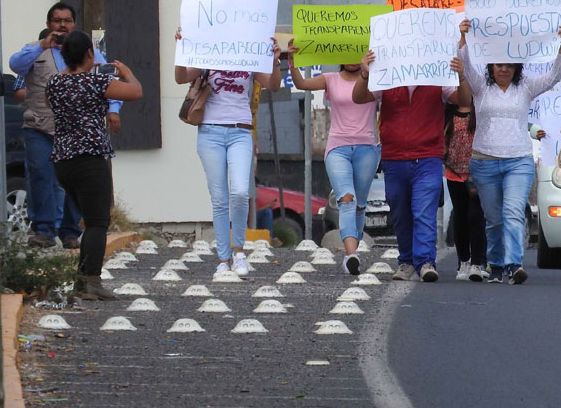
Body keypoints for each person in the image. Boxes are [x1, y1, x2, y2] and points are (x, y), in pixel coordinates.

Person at [457, 20, 561, 284]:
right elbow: (465, 62)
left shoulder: (527, 87)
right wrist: (463, 37)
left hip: (518, 162)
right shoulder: (480, 87)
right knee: (494, 219)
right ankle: (496, 265)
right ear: (492, 67)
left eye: (509, 65)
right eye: (499, 65)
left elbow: (554, 76)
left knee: (512, 212)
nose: (504, 69)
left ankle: (514, 264)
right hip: (484, 162)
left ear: (517, 67)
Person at [9, 3, 122, 249]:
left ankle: (70, 231)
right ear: (48, 24)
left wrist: (113, 110)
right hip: (39, 126)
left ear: (74, 23)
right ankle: (43, 231)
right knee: (40, 176)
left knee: (73, 181)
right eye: (57, 20)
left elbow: (108, 81)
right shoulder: (33, 49)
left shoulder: (89, 53)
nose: (62, 25)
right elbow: (15, 66)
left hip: (75, 131)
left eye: (67, 20)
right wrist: (42, 45)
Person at [175, 29, 282, 277]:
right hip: (210, 132)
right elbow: (180, 77)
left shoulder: (249, 54)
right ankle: (223, 259)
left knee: (241, 191)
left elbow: (273, 85)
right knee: (220, 198)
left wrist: (275, 60)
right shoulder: (207, 55)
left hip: (241, 131)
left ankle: (240, 252)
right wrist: (181, 49)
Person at [352, 51, 465, 283]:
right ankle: (406, 261)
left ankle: (425, 262)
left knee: (424, 210)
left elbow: (463, 101)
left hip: (427, 157)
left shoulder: (437, 77)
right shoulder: (387, 76)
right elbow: (359, 97)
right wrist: (364, 73)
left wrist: (461, 76)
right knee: (400, 211)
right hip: (394, 157)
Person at [46, 31, 142, 299]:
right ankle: (92, 282)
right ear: (90, 53)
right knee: (98, 221)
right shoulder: (96, 82)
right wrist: (126, 72)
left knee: (89, 220)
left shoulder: (54, 83)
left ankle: (81, 280)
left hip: (63, 160)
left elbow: (50, 105)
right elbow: (135, 92)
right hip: (90, 157)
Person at [286, 42, 379, 275]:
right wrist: (292, 61)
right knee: (346, 199)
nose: (351, 57)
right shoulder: (330, 79)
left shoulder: (377, 79)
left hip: (367, 148)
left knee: (359, 205)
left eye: (357, 51)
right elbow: (301, 84)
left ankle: (352, 252)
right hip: (337, 148)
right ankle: (351, 256)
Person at [444, 102, 488, 281]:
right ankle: (463, 261)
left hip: (478, 173)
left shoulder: (481, 108)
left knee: (476, 216)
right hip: (454, 172)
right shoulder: (447, 112)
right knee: (460, 216)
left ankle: (478, 262)